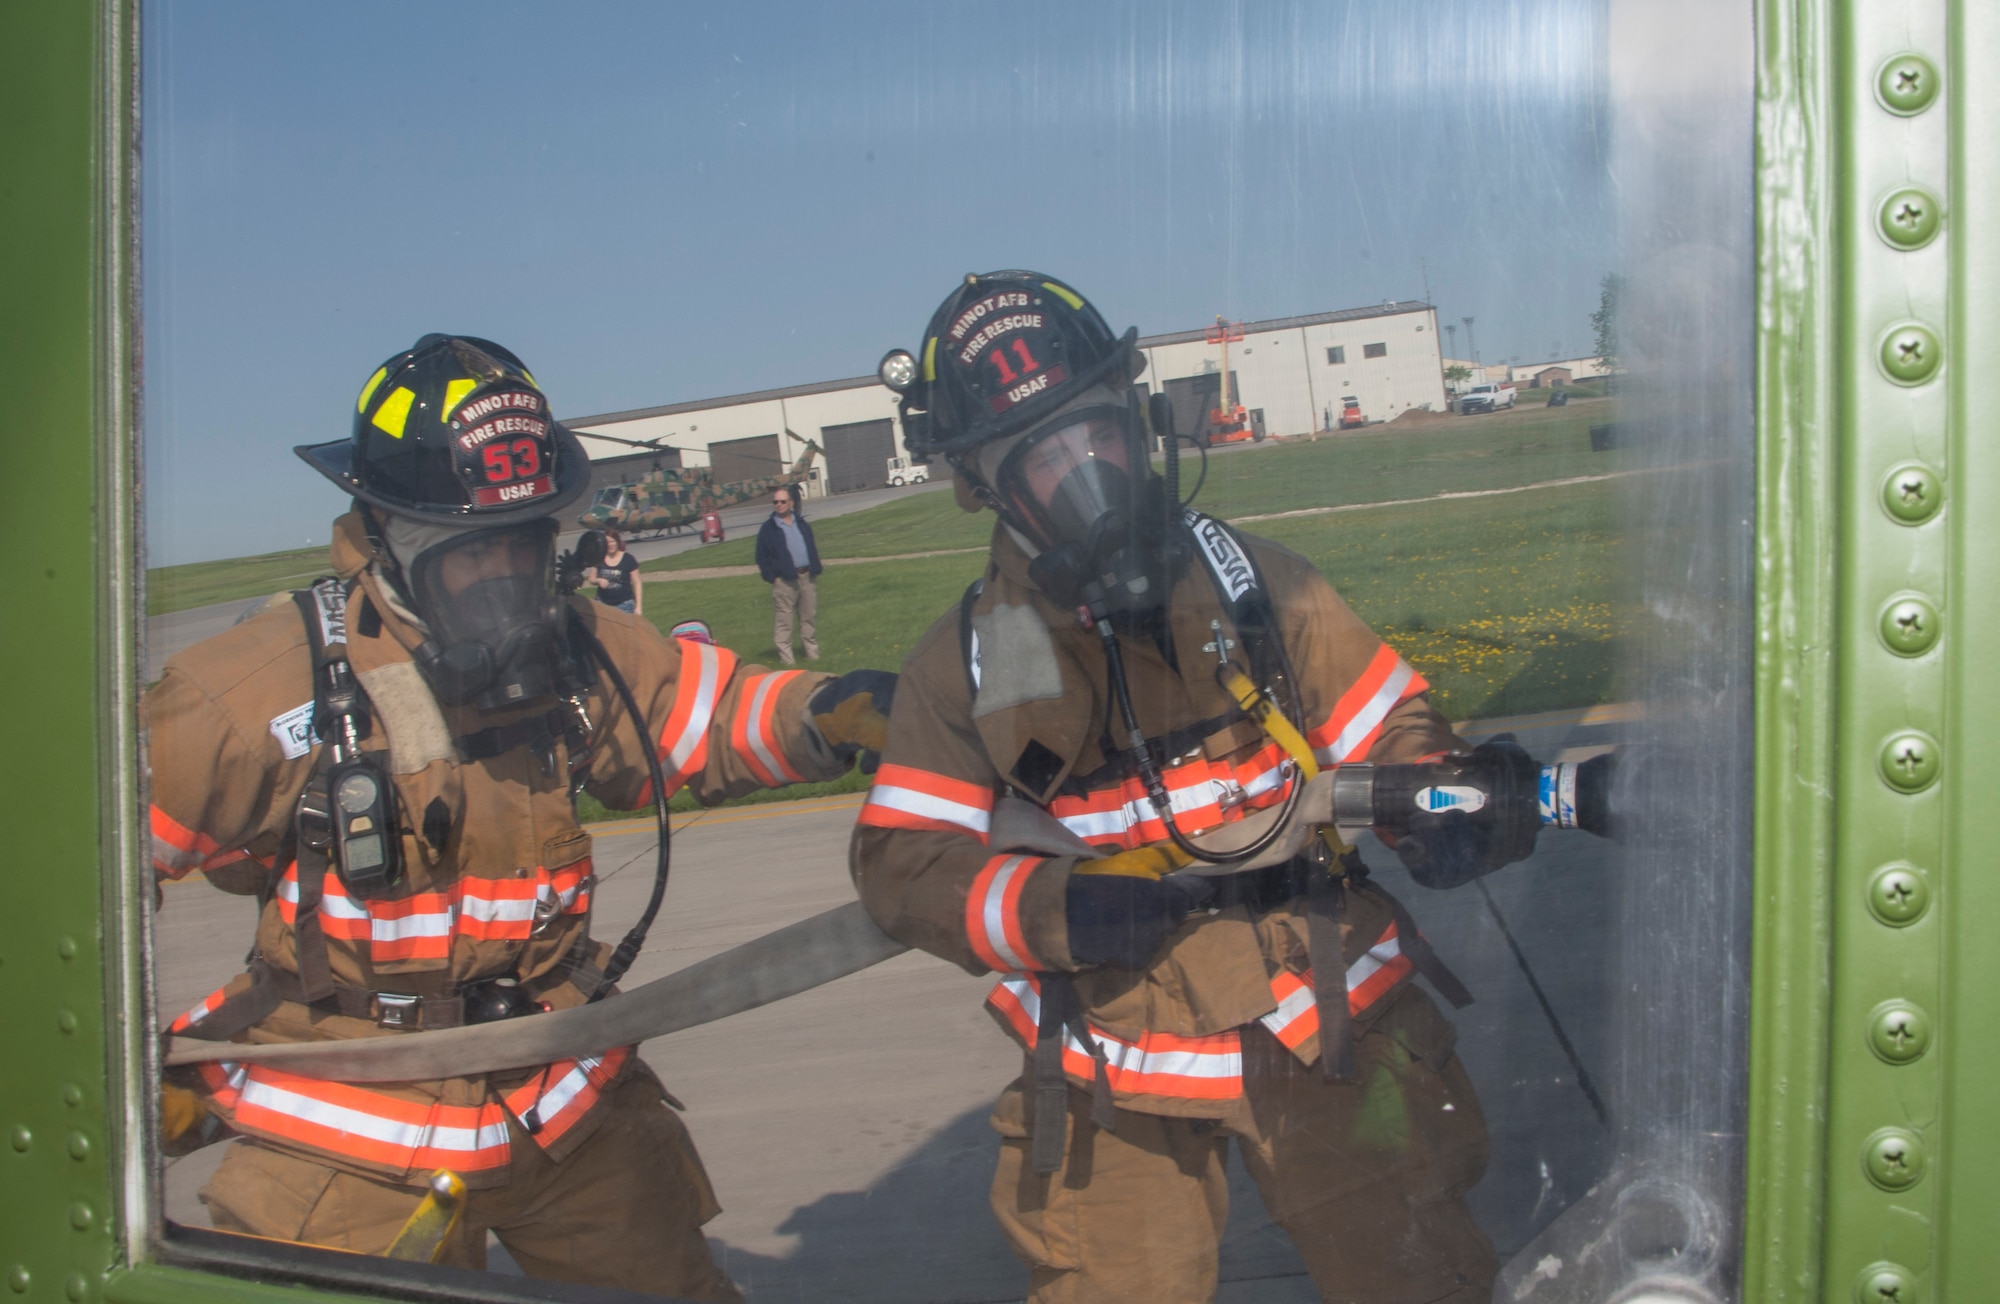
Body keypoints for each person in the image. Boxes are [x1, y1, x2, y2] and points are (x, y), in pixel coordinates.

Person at [146, 334, 895, 1301]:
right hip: (350, 1126)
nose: (506, 583)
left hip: (558, 1096)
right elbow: (69, 880)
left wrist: (831, 713)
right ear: (388, 534)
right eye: (473, 554)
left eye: (524, 544)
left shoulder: (575, 649)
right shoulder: (255, 694)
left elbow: (695, 714)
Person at [851, 272, 1542, 1303]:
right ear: (983, 484)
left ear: (1134, 419)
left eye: (1095, 437)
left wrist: (1441, 805)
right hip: (1111, 1049)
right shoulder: (968, 666)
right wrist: (1050, 907)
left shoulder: (1258, 586)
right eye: (1040, 459)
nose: (1086, 477)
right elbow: (903, 863)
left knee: (1417, 1276)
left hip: (1325, 1011)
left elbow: (1392, 732)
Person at [755, 483, 822, 665]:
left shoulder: (801, 524)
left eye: (783, 501)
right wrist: (773, 577)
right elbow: (761, 556)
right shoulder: (768, 529)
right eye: (775, 502)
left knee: (808, 616)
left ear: (791, 503)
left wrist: (815, 567)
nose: (779, 505)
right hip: (784, 581)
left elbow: (810, 546)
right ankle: (786, 659)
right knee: (784, 620)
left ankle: (812, 654)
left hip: (806, 577)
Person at [588, 526, 643, 615]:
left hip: (625, 604)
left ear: (617, 542)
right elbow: (591, 579)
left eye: (612, 541)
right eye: (607, 542)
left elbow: (637, 583)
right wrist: (598, 580)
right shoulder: (599, 558)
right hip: (603, 604)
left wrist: (638, 606)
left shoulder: (628, 559)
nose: (610, 545)